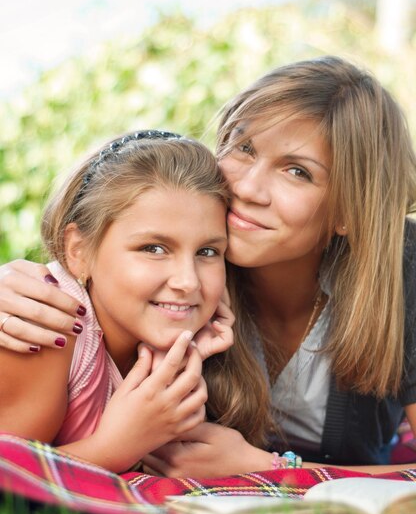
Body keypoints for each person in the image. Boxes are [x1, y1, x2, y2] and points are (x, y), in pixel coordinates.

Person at [1, 56, 416, 475]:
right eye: (244, 147)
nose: (248, 188)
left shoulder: (400, 269)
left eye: (297, 172)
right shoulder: (191, 271)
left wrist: (269, 467)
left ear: (351, 209)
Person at [0, 129, 275, 473]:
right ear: (78, 251)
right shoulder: (44, 322)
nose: (188, 281)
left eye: (207, 252)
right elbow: (10, 490)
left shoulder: (172, 352)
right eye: (154, 249)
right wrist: (117, 447)